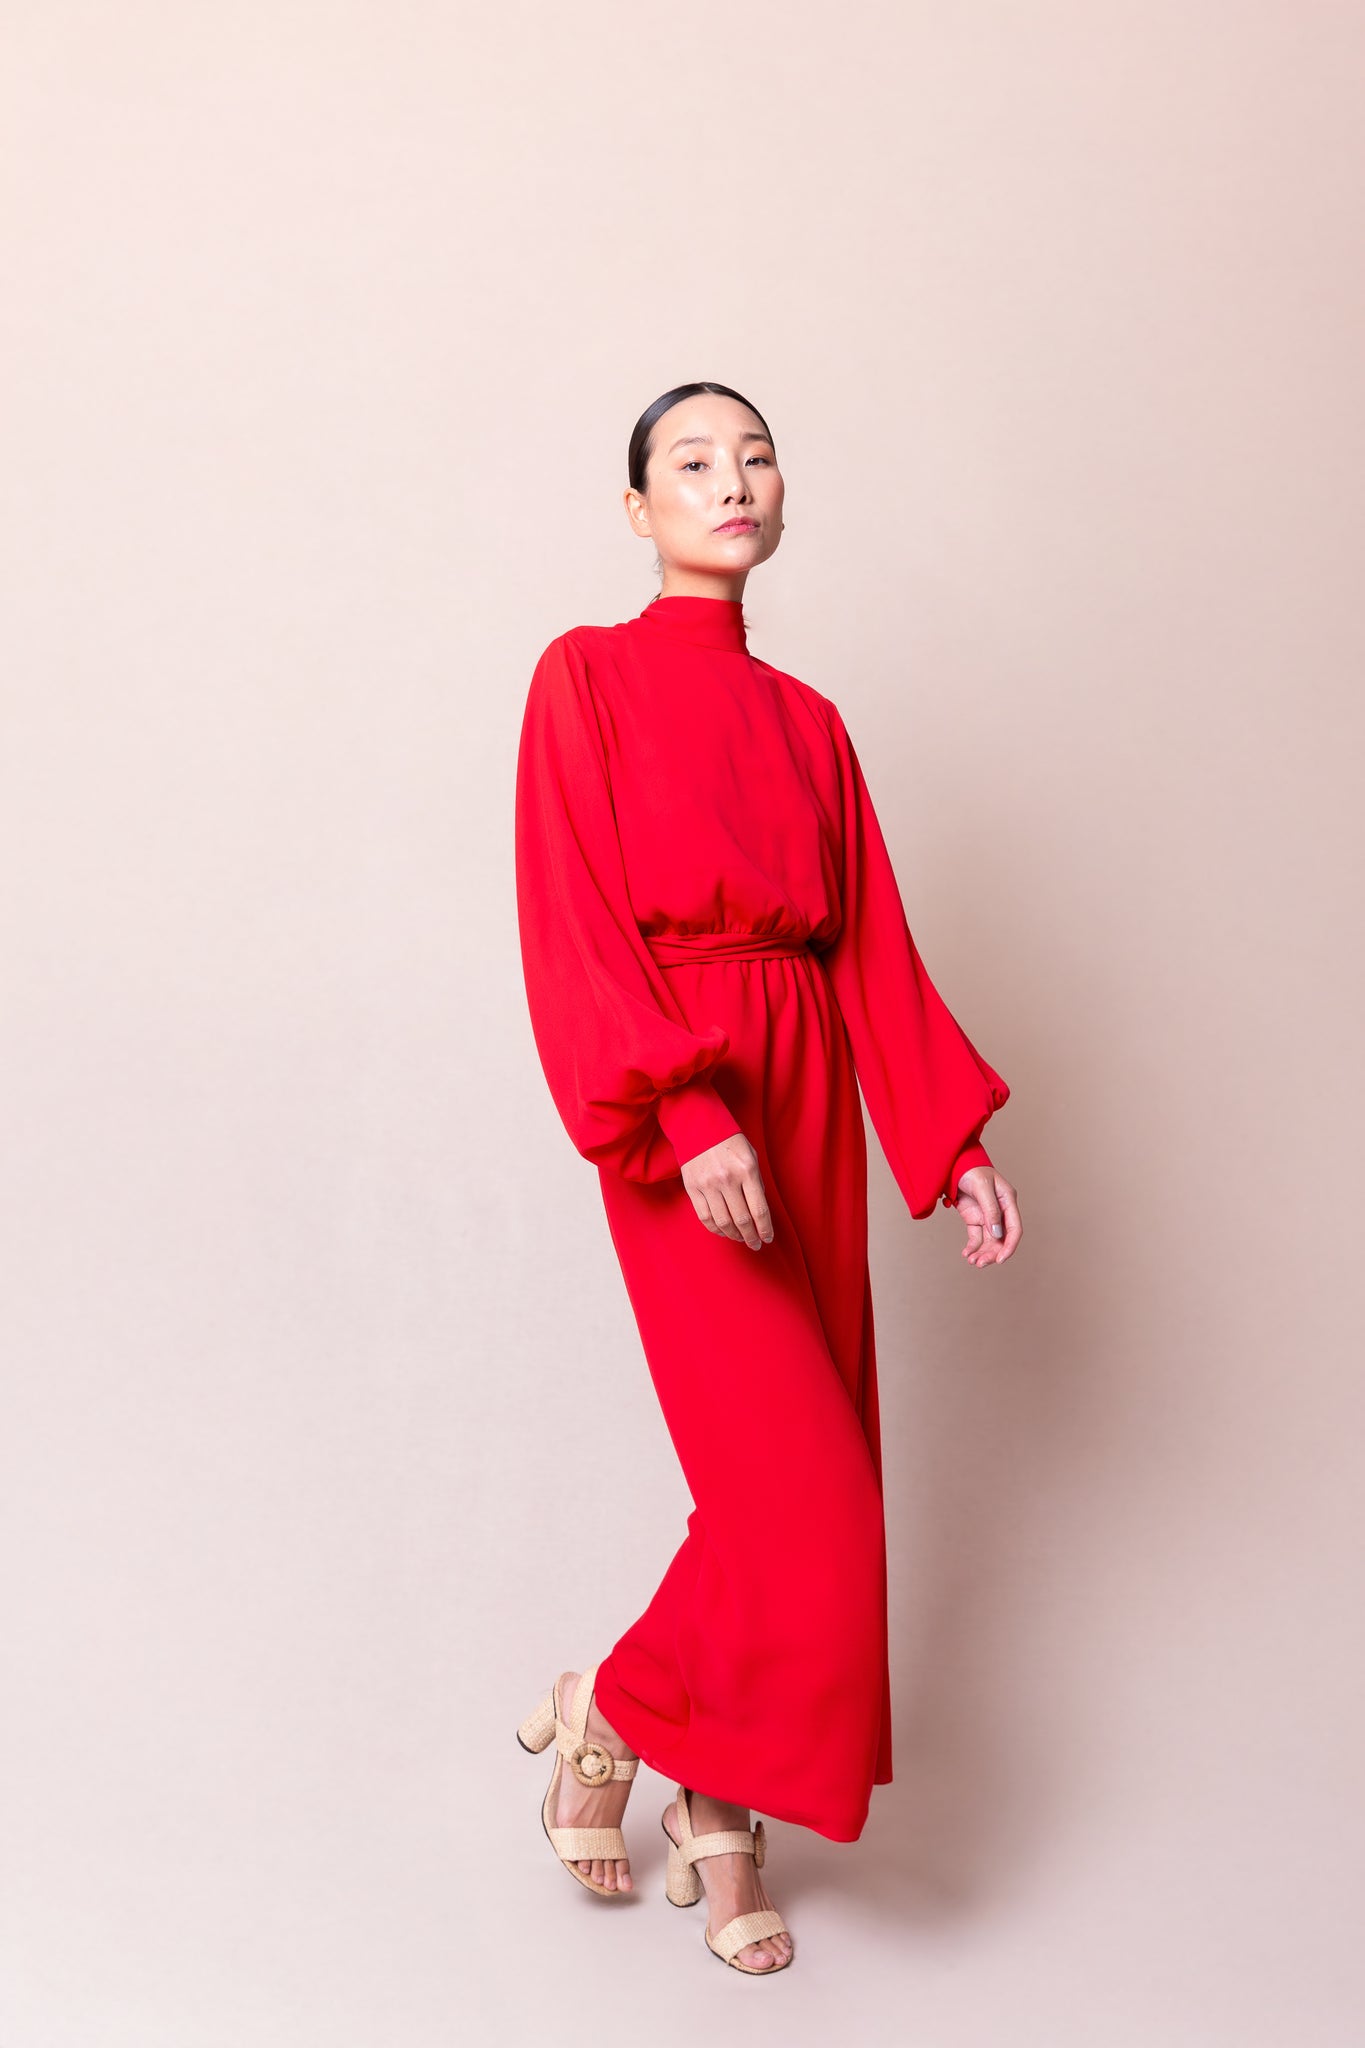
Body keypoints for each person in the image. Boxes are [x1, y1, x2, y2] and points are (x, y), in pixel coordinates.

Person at [513, 381, 1022, 1975]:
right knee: (799, 1498)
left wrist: (949, 1142)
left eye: (753, 458)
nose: (730, 481)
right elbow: (570, 916)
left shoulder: (809, 723)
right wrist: (683, 1110)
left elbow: (869, 946)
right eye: (692, 461)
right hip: (685, 1090)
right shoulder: (584, 677)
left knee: (784, 1491)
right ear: (637, 508)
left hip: (805, 1084)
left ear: (780, 497)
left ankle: (712, 1813)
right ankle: (619, 1704)